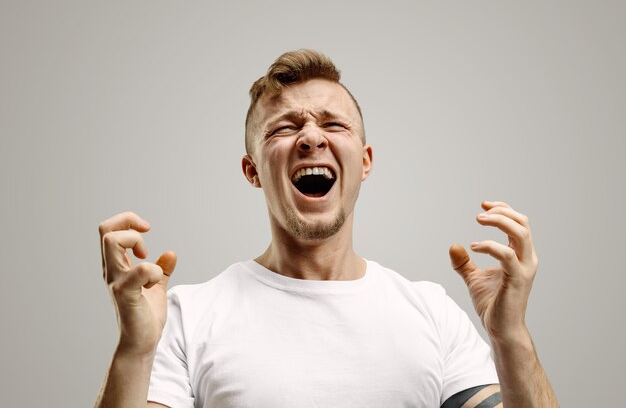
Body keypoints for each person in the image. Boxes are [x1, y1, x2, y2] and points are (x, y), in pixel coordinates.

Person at [94, 50, 559, 408]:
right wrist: (134, 350)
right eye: (284, 128)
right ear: (252, 170)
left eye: (333, 124)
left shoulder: (432, 313)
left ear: (365, 161)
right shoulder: (187, 315)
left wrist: (510, 334)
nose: (312, 137)